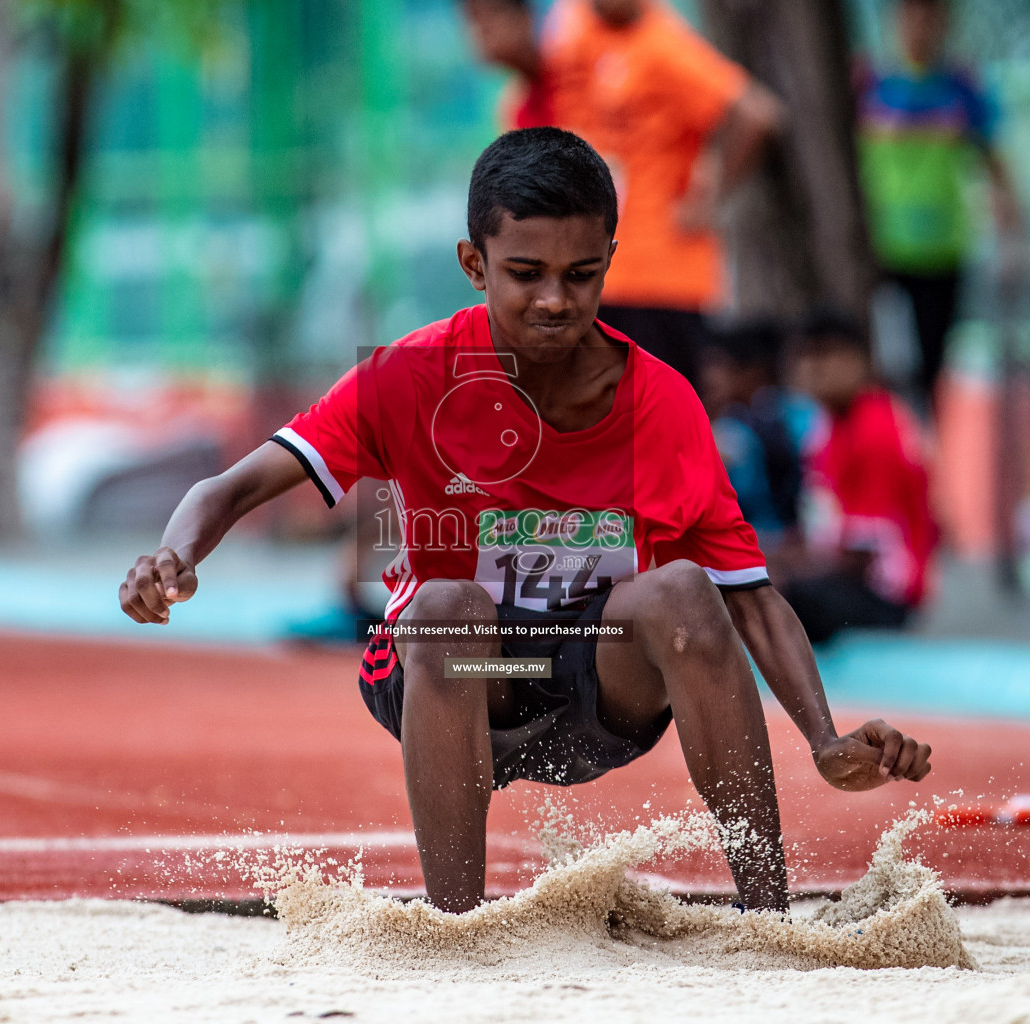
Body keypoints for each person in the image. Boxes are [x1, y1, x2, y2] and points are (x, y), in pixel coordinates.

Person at [119, 128, 933, 913]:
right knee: (447, 609)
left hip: (595, 683)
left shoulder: (661, 402)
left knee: (684, 591)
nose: (555, 300)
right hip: (468, 681)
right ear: (474, 265)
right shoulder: (409, 378)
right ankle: (459, 932)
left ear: (611, 260)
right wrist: (172, 554)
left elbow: (748, 594)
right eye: (526, 273)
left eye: (581, 274)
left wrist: (823, 738)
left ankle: (769, 918)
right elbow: (228, 487)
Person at [543, 0, 783, 390]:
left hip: (662, 275)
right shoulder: (568, 24)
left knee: (662, 419)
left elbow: (757, 115)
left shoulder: (664, 45)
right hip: (592, 271)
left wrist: (711, 200)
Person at [856, 0, 1024, 410]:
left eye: (930, 14)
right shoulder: (868, 84)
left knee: (930, 371)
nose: (920, 24)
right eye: (909, 13)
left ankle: (924, 455)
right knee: (880, 369)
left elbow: (996, 167)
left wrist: (1013, 240)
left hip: (943, 251)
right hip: (882, 253)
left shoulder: (962, 87)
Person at [781, 308, 936, 645]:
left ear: (858, 360)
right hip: (841, 577)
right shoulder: (825, 427)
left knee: (774, 595)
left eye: (825, 355)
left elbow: (866, 553)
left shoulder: (878, 427)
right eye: (805, 357)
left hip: (886, 595)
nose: (813, 369)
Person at [700, 318, 820, 552]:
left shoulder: (735, 430)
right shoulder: (802, 411)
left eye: (719, 366)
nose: (709, 376)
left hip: (769, 545)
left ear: (752, 371)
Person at [462, 0, 554, 130]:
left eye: (494, 12)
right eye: (474, 18)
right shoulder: (515, 109)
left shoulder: (578, 64)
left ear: (526, 15)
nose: (483, 27)